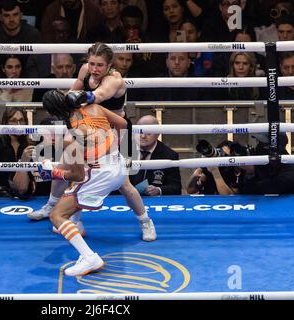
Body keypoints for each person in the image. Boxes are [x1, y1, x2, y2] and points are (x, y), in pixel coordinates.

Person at [29, 42, 157, 242]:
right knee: (69, 164)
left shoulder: (114, 80)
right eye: (92, 64)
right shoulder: (85, 70)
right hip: (88, 127)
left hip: (114, 131)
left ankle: (145, 222)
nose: (95, 69)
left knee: (124, 184)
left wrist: (80, 97)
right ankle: (54, 207)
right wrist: (60, 101)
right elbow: (73, 92)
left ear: (109, 66)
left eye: (100, 65)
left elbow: (99, 96)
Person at [37, 89, 129, 276]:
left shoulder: (71, 138)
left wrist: (52, 172)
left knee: (57, 215)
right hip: (118, 163)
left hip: (103, 174)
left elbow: (76, 175)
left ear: (52, 113)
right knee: (77, 190)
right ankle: (76, 223)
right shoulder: (95, 107)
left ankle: (89, 257)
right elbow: (122, 123)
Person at [130, 115, 182, 196]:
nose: (143, 136)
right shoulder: (124, 149)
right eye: (140, 131)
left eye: (148, 132)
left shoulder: (169, 155)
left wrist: (159, 190)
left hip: (155, 201)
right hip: (124, 198)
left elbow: (176, 187)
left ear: (157, 134)